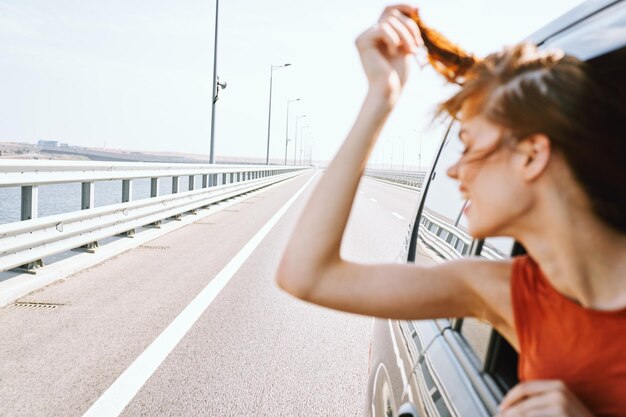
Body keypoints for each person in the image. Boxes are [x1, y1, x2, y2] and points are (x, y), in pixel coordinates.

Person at [276, 4, 626, 417]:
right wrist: (381, 98)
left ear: (532, 155)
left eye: (471, 146)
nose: (453, 169)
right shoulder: (507, 293)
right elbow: (307, 275)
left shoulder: (506, 294)